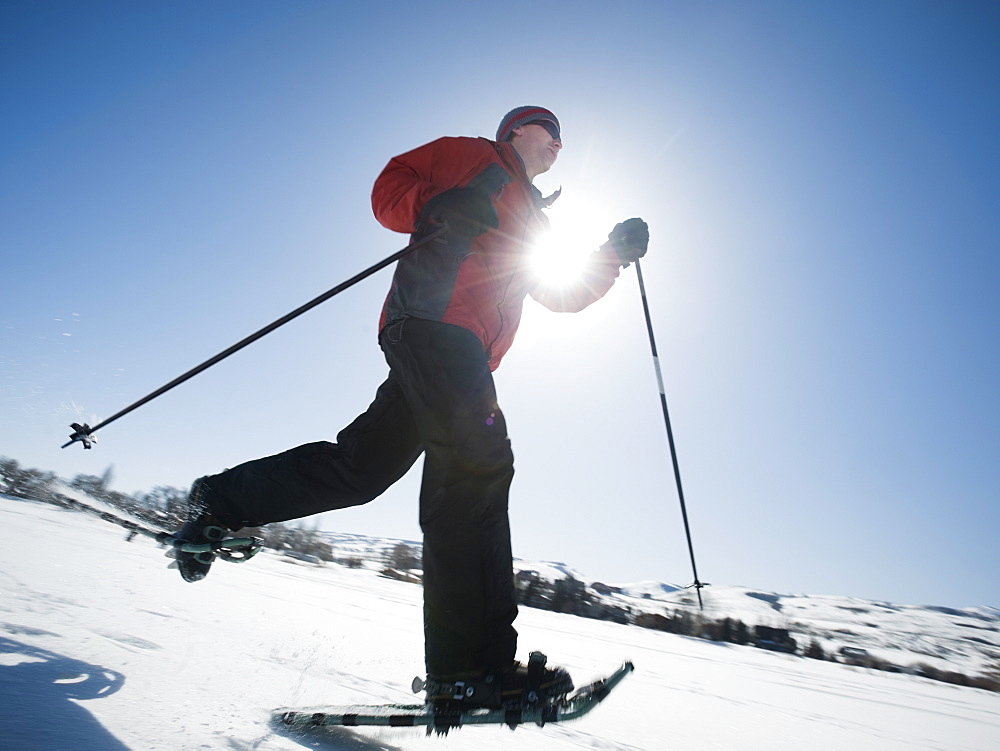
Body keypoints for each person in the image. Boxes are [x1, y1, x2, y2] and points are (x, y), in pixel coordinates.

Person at [174, 106, 649, 710]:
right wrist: (439, 210)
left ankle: (221, 500)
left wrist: (611, 253)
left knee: (363, 468)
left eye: (562, 138)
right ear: (516, 131)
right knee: (477, 464)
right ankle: (470, 670)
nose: (559, 143)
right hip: (431, 324)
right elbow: (387, 192)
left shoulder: (533, 218)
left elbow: (559, 292)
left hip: (457, 350)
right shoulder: (470, 156)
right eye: (549, 130)